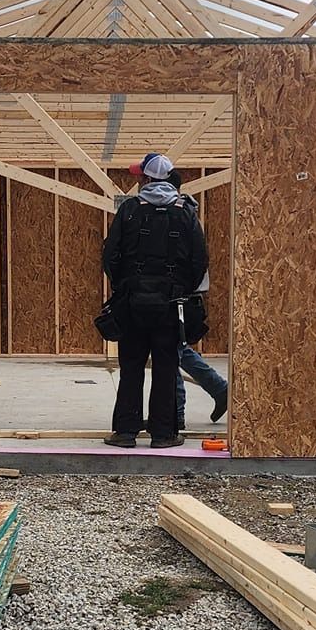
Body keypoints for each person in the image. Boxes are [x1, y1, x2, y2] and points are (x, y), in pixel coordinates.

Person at [102, 151, 208, 449]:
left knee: (131, 366)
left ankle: (125, 432)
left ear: (147, 178)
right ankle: (164, 435)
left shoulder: (130, 210)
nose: (137, 180)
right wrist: (181, 291)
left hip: (134, 302)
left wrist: (123, 286)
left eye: (140, 176)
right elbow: (199, 260)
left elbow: (111, 255)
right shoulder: (185, 211)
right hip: (171, 305)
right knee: (166, 367)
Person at [169, 171, 228, 429]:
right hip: (185, 294)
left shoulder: (179, 215)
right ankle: (220, 390)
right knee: (179, 350)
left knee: (170, 351)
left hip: (180, 296)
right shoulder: (186, 213)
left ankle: (176, 413)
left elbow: (190, 259)